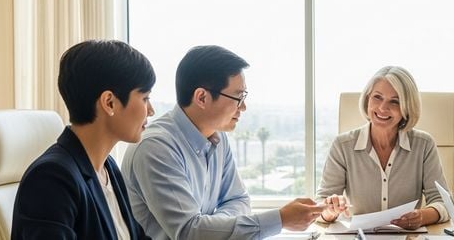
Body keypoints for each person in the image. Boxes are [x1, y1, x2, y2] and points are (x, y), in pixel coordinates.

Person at [121, 45, 325, 240]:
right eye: (238, 97)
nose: (243, 107)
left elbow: (239, 200)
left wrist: (208, 228)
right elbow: (189, 233)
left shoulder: (219, 139)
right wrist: (279, 219)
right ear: (201, 97)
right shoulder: (156, 148)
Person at [12, 40, 154, 239]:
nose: (151, 110)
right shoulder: (51, 178)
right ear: (109, 102)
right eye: (145, 98)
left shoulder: (108, 168)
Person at [316, 66, 450, 229]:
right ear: (367, 100)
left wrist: (421, 216)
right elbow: (321, 207)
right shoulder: (342, 146)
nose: (382, 108)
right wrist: (331, 208)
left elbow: (443, 203)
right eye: (377, 97)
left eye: (395, 101)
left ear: (407, 107)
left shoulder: (424, 144)